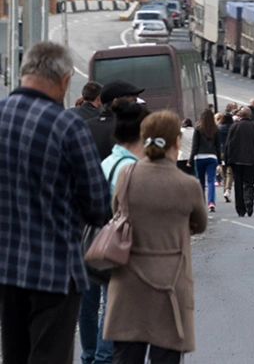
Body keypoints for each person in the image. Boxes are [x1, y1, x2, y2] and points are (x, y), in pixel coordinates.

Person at [0, 42, 110, 364]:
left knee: (14, 355)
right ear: (64, 80)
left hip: (6, 269)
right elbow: (98, 205)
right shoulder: (67, 127)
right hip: (55, 271)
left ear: (23, 73)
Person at [103, 111, 207, 363]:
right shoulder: (188, 185)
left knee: (126, 356)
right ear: (176, 143)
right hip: (170, 283)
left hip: (129, 279)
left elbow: (117, 211)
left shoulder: (126, 176)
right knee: (166, 356)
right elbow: (201, 224)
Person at [85, 100, 146, 364]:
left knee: (98, 306)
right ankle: (101, 358)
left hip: (96, 241)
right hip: (119, 248)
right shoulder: (130, 169)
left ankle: (94, 356)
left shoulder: (109, 162)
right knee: (114, 310)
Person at [224, 108, 254, 217]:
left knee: (238, 184)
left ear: (241, 115)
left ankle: (240, 208)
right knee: (249, 183)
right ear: (250, 116)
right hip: (251, 160)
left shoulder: (234, 126)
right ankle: (249, 200)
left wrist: (227, 160)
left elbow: (228, 144)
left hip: (236, 160)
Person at [188, 109, 221, 212]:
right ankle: (211, 203)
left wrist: (190, 160)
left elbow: (195, 146)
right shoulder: (215, 129)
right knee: (211, 181)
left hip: (200, 157)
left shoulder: (198, 129)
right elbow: (218, 147)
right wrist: (220, 161)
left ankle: (201, 203)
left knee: (201, 182)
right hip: (212, 157)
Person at [217, 109, 234, 203]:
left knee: (223, 172)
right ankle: (227, 190)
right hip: (231, 152)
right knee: (230, 172)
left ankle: (225, 191)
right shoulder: (233, 127)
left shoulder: (219, 129)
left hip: (221, 151)